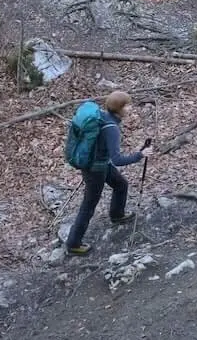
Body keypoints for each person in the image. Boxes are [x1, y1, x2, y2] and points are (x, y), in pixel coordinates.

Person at [65, 91, 153, 257]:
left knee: (121, 184)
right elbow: (117, 159)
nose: (130, 108)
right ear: (119, 109)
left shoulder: (104, 117)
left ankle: (117, 215)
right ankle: (73, 243)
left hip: (98, 164)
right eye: (127, 105)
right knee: (89, 205)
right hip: (95, 170)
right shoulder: (111, 128)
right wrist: (140, 155)